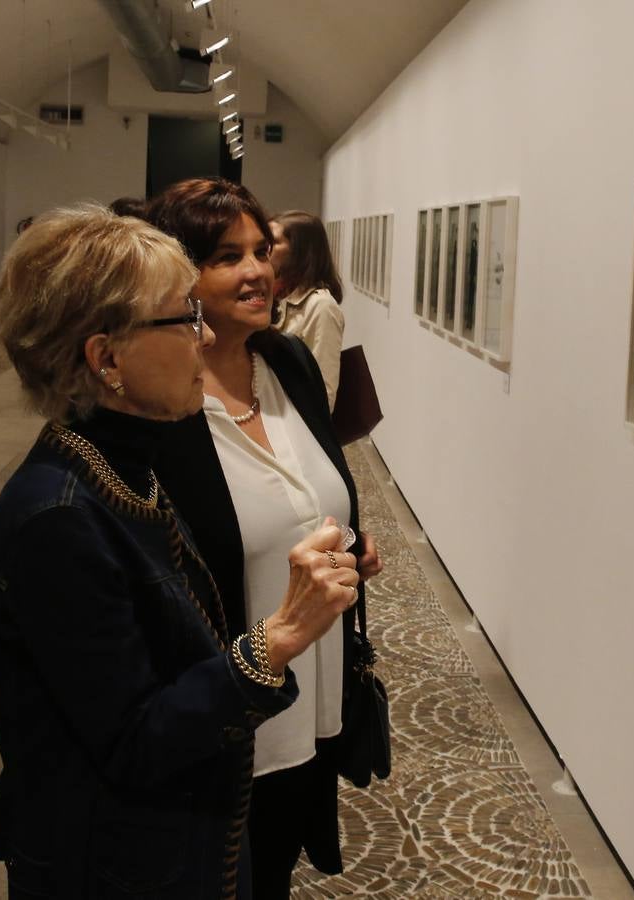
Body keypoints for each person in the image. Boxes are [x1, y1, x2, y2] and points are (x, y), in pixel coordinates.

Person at [0, 205, 359, 898]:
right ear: (106, 358)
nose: (203, 337)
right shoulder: (57, 519)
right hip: (113, 864)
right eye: (183, 319)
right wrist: (278, 637)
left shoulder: (120, 468)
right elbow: (136, 740)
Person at [141, 178, 385, 900]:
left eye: (261, 251)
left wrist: (349, 551)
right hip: (223, 719)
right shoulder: (163, 398)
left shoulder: (287, 363)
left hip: (306, 705)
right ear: (176, 274)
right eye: (226, 256)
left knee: (272, 873)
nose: (257, 271)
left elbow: (312, 495)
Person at [269, 210, 346, 410]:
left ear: (298, 251)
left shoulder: (321, 307)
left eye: (274, 242)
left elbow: (324, 392)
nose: (265, 248)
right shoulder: (275, 295)